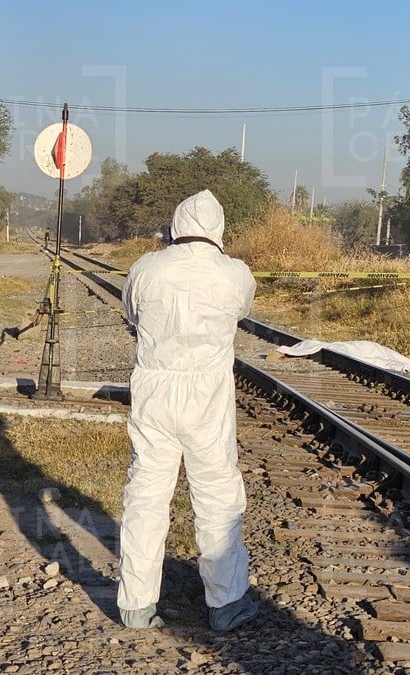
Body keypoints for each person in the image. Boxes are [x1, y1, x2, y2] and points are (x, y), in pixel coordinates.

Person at [117, 189, 258, 632]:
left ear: (176, 226)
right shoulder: (235, 273)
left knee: (146, 494)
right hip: (207, 395)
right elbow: (242, 311)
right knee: (216, 494)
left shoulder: (146, 267)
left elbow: (130, 312)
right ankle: (226, 602)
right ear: (218, 229)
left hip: (155, 390)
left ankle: (136, 605)